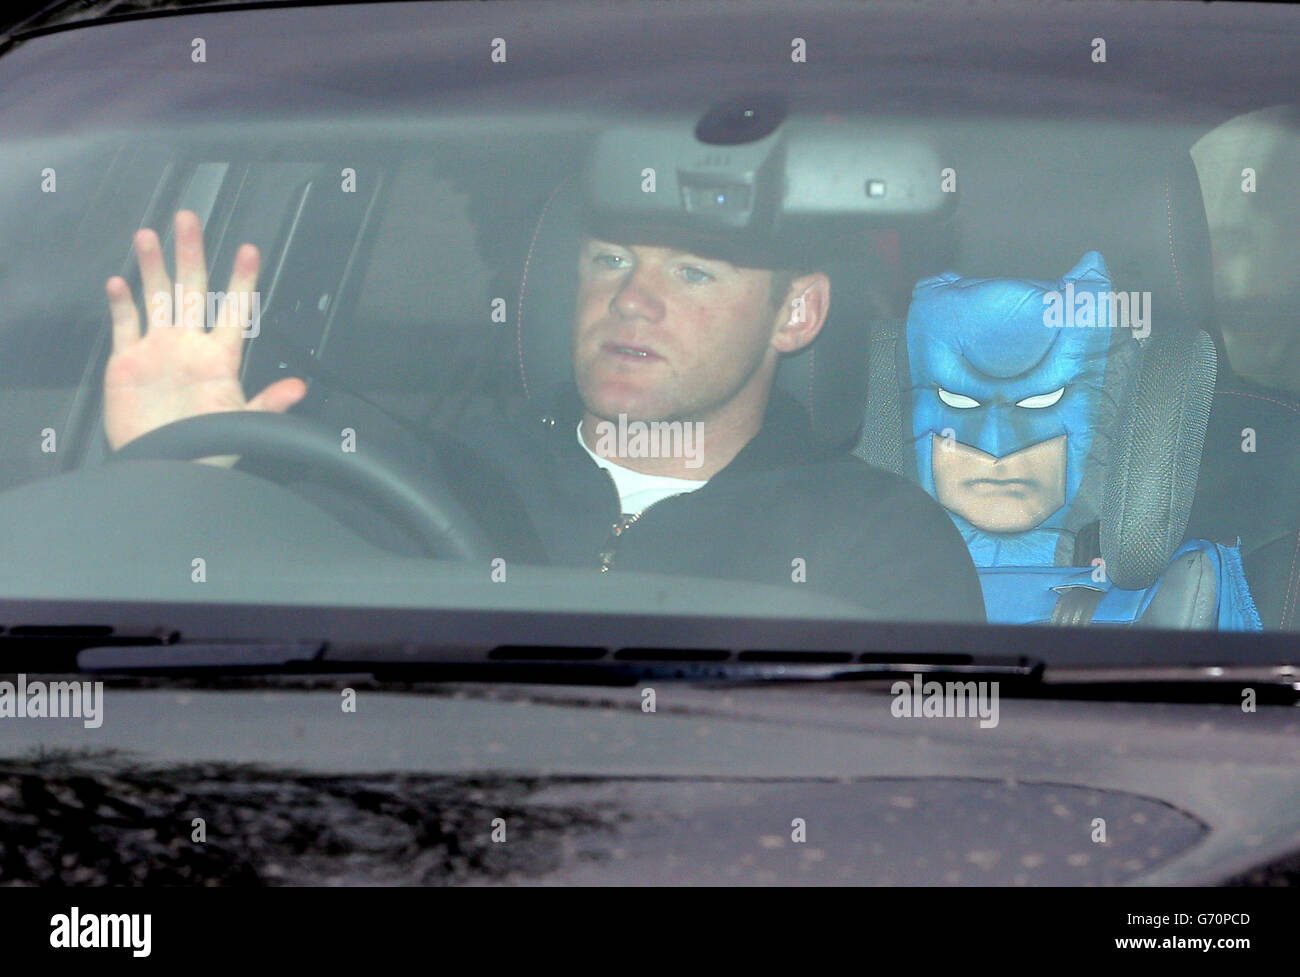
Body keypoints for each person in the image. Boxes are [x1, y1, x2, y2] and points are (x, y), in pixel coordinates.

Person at [102, 209, 985, 622]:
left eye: (692, 272)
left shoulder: (883, 547)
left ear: (796, 314)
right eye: (608, 258)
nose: (631, 299)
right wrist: (180, 485)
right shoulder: (420, 475)